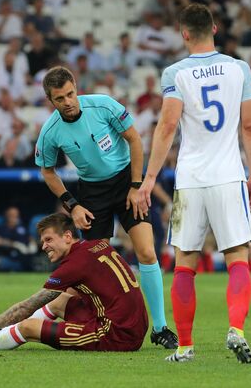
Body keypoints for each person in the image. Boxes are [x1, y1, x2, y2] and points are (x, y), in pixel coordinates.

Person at [137, 4, 251, 363]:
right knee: (238, 259)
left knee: (185, 264)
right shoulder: (240, 69)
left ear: (184, 34)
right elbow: (250, 127)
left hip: (190, 181)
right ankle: (235, 330)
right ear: (215, 29)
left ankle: (185, 347)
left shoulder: (175, 73)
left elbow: (168, 126)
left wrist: (148, 181)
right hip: (228, 175)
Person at [34, 66, 177, 349]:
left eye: (71, 94)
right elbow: (47, 171)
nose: (68, 102)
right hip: (92, 193)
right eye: (60, 98)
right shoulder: (51, 131)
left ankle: (160, 328)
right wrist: (72, 206)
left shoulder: (103, 105)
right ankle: (83, 320)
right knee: (93, 268)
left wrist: (136, 187)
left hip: (126, 182)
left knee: (147, 252)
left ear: (76, 87)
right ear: (51, 101)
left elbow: (135, 141)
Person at [0, 213, 149, 352]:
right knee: (60, 301)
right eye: (42, 241)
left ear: (67, 236)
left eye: (48, 240)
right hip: (133, 325)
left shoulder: (73, 265)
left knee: (28, 326)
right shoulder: (95, 246)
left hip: (116, 335)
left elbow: (27, 307)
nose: (43, 246)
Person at [0, 206, 35, 271]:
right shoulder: (1, 227)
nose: (14, 217)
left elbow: (29, 237)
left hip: (25, 255)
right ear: (6, 215)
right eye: (11, 215)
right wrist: (15, 244)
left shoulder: (22, 226)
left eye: (16, 215)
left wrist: (32, 244)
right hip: (9, 255)